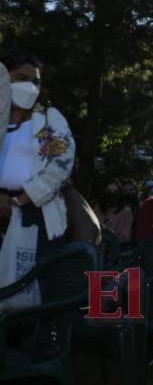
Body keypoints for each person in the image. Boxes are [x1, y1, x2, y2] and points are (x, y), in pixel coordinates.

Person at [0, 51, 75, 306]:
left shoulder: (48, 120)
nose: (30, 87)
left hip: (35, 211)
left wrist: (20, 201)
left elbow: (61, 164)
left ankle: (37, 339)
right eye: (22, 78)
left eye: (35, 82)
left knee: (35, 287)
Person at [94, 179, 134, 243]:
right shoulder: (98, 208)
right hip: (97, 247)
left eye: (115, 191)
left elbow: (125, 236)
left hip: (117, 248)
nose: (112, 194)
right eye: (109, 191)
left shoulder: (127, 211)